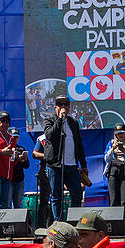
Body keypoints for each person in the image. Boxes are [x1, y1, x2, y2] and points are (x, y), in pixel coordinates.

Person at [43, 96, 89, 224]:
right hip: (55, 165)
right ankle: (58, 224)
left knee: (77, 194)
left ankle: (73, 222)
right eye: (60, 104)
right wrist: (59, 119)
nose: (63, 107)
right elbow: (50, 136)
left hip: (72, 165)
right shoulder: (49, 120)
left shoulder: (73, 122)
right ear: (55, 107)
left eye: (66, 105)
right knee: (56, 196)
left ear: (69, 107)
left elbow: (79, 144)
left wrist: (83, 164)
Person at [32, 132, 52, 227]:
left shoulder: (63, 136)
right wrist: (48, 156)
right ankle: (41, 226)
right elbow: (34, 153)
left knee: (57, 199)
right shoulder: (42, 138)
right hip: (45, 172)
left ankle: (54, 225)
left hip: (59, 171)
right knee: (44, 200)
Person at [10, 127, 31, 211]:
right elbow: (8, 161)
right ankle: (7, 223)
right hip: (9, 179)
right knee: (7, 203)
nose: (15, 139)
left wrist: (24, 159)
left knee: (18, 204)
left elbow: (26, 166)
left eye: (16, 137)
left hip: (19, 179)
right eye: (13, 137)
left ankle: (16, 222)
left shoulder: (21, 149)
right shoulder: (6, 148)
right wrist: (17, 158)